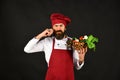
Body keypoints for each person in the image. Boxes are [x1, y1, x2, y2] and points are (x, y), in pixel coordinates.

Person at [24, 13, 87, 80]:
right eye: (56, 26)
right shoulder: (47, 42)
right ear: (52, 28)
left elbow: (78, 67)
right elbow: (27, 49)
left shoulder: (73, 42)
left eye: (61, 25)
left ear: (65, 28)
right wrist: (41, 35)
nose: (58, 28)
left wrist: (81, 59)